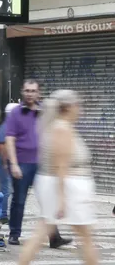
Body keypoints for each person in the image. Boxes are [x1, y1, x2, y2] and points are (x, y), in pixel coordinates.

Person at [18, 89, 98, 265]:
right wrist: (62, 199)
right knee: (85, 237)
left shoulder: (57, 126)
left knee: (43, 231)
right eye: (78, 105)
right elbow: (61, 165)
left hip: (59, 184)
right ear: (68, 107)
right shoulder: (62, 129)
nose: (80, 109)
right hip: (67, 187)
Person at [5, 79, 71, 248]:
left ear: (38, 93)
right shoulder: (16, 113)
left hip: (42, 165)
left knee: (47, 200)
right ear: (22, 92)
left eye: (33, 91)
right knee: (19, 201)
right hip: (22, 164)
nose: (30, 94)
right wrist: (13, 164)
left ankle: (54, 237)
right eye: (27, 90)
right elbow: (9, 140)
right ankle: (14, 235)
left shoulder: (44, 112)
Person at [0, 102, 18, 225]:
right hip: (3, 162)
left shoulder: (9, 127)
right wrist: (5, 163)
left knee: (6, 189)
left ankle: (1, 212)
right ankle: (3, 215)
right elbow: (2, 147)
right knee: (6, 189)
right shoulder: (5, 127)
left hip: (5, 162)